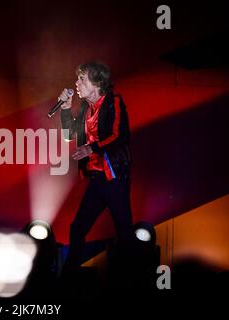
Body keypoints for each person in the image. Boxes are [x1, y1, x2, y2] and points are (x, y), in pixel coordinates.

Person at [59, 61, 133, 272]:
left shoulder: (113, 102)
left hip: (115, 177)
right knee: (78, 228)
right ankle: (70, 275)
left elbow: (119, 135)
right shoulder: (85, 107)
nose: (77, 83)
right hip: (98, 179)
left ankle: (133, 279)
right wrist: (65, 109)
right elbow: (67, 136)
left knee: (124, 231)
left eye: (82, 79)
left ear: (97, 82)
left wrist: (91, 149)